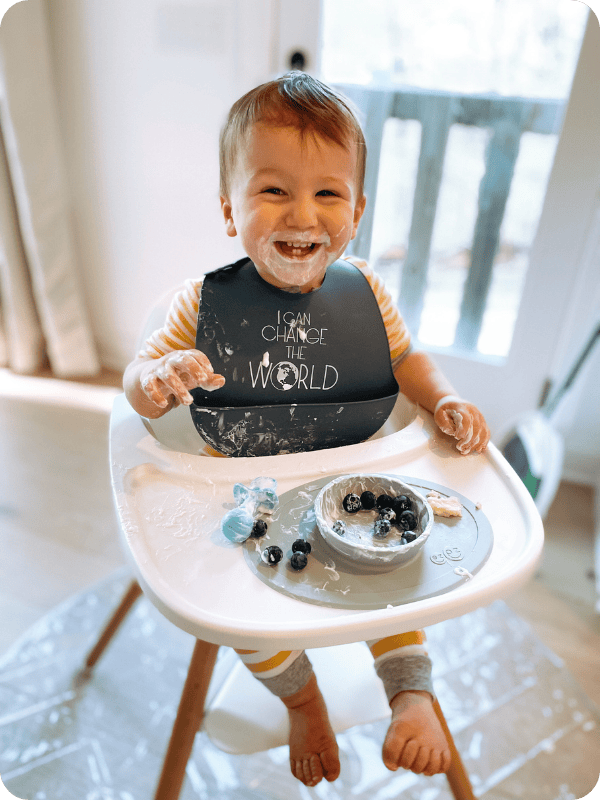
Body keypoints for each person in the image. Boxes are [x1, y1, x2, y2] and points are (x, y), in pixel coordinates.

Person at [124, 71, 490, 788]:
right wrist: (157, 379)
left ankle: (411, 693)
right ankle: (302, 699)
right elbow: (139, 383)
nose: (303, 215)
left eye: (328, 193)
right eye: (273, 190)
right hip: (246, 495)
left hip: (351, 483)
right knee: (240, 608)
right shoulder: (201, 305)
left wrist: (444, 399)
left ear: (357, 211)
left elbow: (405, 359)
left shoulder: (367, 293)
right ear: (229, 209)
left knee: (395, 569)